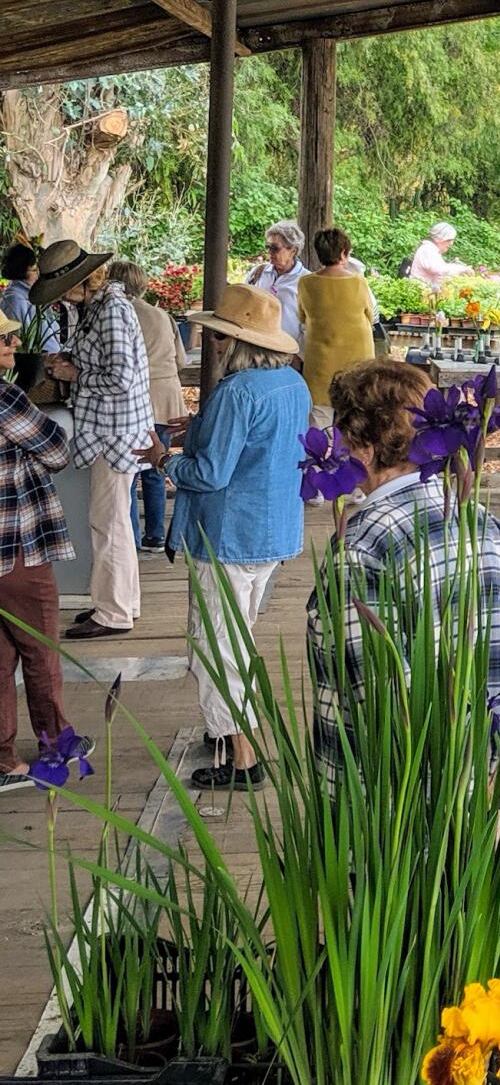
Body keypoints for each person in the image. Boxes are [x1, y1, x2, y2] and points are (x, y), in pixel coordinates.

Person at [307, 358, 500, 790]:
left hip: (386, 803)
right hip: (487, 785)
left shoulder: (361, 547)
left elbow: (373, 690)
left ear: (362, 447)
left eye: (341, 434)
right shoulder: (492, 530)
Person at [135, 284, 310, 790]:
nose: (212, 343)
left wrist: (164, 458)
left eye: (217, 335)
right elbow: (261, 445)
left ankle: (243, 755)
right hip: (272, 529)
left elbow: (210, 474)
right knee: (239, 638)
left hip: (227, 533)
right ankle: (236, 736)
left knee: (215, 648)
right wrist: (201, 424)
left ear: (233, 341)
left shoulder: (236, 392)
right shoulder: (292, 386)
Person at [38, 241, 153, 640]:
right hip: (112, 429)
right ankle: (121, 601)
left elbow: (120, 378)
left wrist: (74, 376)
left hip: (114, 432)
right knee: (114, 522)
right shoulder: (100, 308)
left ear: (83, 282)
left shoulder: (113, 311)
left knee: (108, 525)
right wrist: (69, 360)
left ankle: (114, 611)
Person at [0, 314, 94, 790]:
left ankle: (3, 760)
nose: (15, 342)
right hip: (15, 548)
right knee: (40, 650)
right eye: (4, 338)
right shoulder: (5, 397)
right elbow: (57, 450)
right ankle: (55, 742)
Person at [108, 261, 187, 553]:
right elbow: (181, 360)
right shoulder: (162, 315)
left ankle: (129, 535)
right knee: (155, 467)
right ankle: (155, 535)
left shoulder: (115, 314)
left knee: (127, 473)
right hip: (165, 398)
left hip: (132, 399)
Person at [297, 228, 375, 429]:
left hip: (319, 363)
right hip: (357, 363)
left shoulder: (305, 283)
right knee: (353, 420)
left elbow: (302, 316)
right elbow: (370, 314)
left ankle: (315, 459)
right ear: (343, 253)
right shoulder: (358, 282)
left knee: (318, 421)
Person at [244, 220, 310, 348]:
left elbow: (309, 325)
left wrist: (299, 356)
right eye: (268, 247)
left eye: (275, 248)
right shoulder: (258, 273)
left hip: (288, 352)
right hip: (255, 347)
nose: (270, 252)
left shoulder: (305, 281)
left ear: (293, 251)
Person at [1, 241, 60, 351]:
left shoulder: (30, 296)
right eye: (34, 270)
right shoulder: (16, 301)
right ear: (21, 272)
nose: (38, 274)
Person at [409, 222, 470, 289]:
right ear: (439, 238)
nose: (451, 244)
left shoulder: (432, 250)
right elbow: (440, 270)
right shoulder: (428, 250)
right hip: (420, 291)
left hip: (427, 290)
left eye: (452, 240)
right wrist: (462, 268)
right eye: (449, 240)